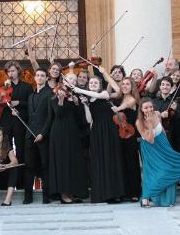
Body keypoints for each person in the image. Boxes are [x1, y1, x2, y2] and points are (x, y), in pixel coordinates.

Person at [72, 68, 125, 203]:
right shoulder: (89, 100)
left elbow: (110, 93)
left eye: (96, 83)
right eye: (91, 83)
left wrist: (80, 90)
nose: (93, 85)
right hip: (96, 132)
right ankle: (102, 194)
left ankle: (114, 194)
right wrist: (85, 105)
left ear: (100, 85)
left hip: (109, 130)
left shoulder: (104, 94)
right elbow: (90, 120)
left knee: (110, 160)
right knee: (99, 162)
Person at [48, 73, 88, 203]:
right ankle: (63, 193)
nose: (73, 81)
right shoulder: (55, 95)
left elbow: (81, 119)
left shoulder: (75, 96)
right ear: (64, 80)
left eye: (74, 80)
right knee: (62, 161)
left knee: (73, 161)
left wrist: (77, 105)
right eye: (70, 78)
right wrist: (60, 100)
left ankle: (73, 192)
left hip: (73, 133)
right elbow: (58, 115)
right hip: (59, 133)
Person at [19, 68, 53, 204]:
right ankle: (28, 197)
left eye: (42, 75)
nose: (39, 77)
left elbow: (50, 117)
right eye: (37, 75)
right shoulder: (31, 96)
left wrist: (43, 134)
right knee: (29, 167)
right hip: (29, 136)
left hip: (43, 137)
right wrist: (18, 114)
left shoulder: (50, 94)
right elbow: (29, 116)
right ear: (34, 78)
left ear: (46, 78)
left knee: (45, 166)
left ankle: (46, 197)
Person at [0, 61, 33, 188]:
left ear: (18, 71)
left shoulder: (27, 87)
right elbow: (0, 102)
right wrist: (6, 90)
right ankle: (6, 183)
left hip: (20, 120)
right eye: (8, 71)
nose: (11, 73)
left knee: (21, 149)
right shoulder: (5, 86)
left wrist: (18, 103)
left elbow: (31, 104)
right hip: (7, 120)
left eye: (13, 70)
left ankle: (21, 184)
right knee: (5, 150)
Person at [111, 77, 141, 201]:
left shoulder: (132, 99)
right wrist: (104, 73)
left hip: (130, 136)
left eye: (127, 84)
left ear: (132, 86)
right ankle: (123, 192)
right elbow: (112, 86)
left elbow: (125, 106)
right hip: (119, 135)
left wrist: (117, 109)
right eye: (122, 84)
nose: (124, 86)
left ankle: (134, 192)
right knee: (121, 164)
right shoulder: (119, 98)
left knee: (132, 164)